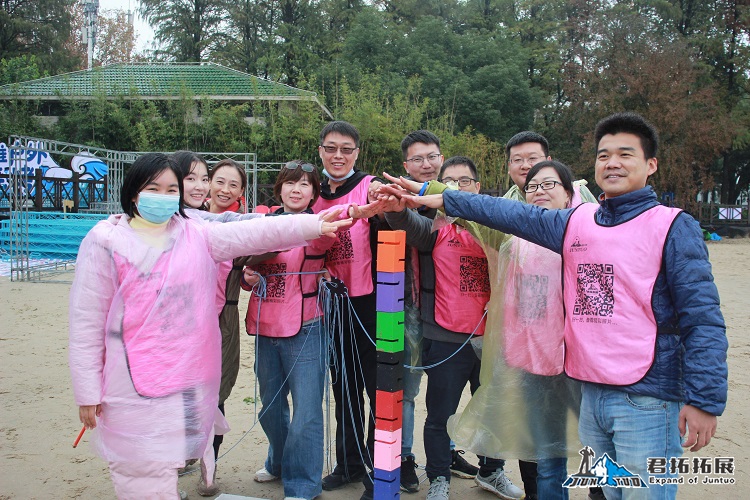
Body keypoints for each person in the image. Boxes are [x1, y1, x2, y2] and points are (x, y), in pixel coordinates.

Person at [396, 112, 729, 499]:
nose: (613, 163)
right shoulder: (579, 223)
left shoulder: (671, 225)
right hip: (590, 389)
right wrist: (443, 196)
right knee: (604, 488)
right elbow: (512, 213)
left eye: (626, 154)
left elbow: (703, 318)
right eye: (604, 155)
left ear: (651, 164)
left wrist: (704, 399)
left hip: (647, 395)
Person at [69, 153, 351, 499]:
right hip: (129, 378)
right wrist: (87, 392)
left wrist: (314, 225)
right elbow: (87, 322)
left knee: (168, 455)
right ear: (132, 194)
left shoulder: (197, 233)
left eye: (171, 188)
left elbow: (255, 231)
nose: (164, 195)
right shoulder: (106, 241)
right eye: (153, 187)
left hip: (183, 372)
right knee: (138, 467)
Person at [380, 157, 524, 500]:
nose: (458, 188)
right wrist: (395, 209)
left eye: (465, 181)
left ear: (477, 188)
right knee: (441, 413)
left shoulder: (499, 227)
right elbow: (407, 224)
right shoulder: (436, 227)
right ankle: (439, 476)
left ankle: (492, 472)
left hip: (493, 336)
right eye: (450, 181)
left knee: (493, 410)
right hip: (446, 337)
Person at [242, 160, 348, 500]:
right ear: (280, 188)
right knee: (270, 406)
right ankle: (277, 459)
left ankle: (303, 483)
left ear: (315, 193)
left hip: (307, 326)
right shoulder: (258, 220)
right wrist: (248, 277)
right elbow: (244, 261)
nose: (297, 189)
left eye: (305, 184)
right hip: (265, 325)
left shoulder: (319, 226)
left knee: (306, 409)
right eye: (291, 183)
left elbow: (321, 241)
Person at [310, 121, 391, 500]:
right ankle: (349, 463)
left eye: (346, 149)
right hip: (331, 304)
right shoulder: (314, 192)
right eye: (331, 148)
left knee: (381, 391)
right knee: (344, 389)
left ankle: (382, 472)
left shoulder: (369, 186)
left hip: (374, 303)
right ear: (321, 150)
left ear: (357, 153)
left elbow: (389, 215)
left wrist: (377, 201)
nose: (338, 155)